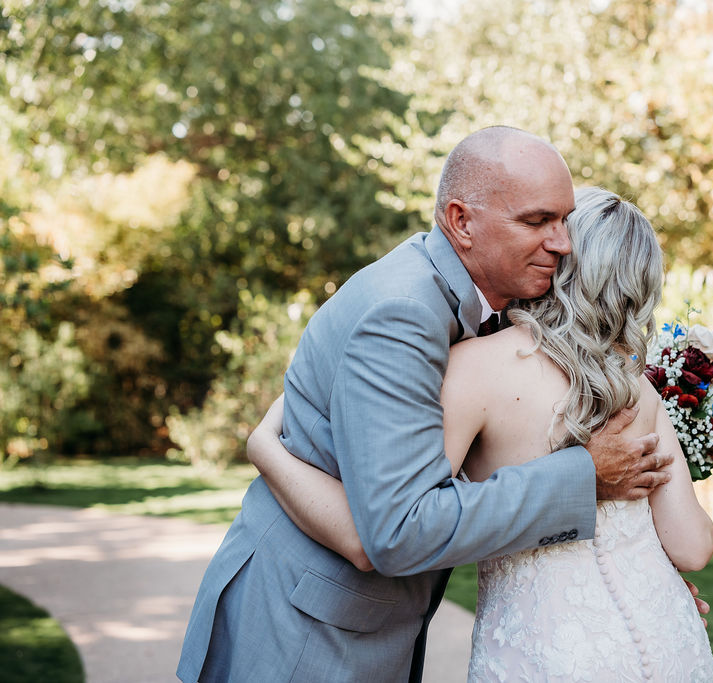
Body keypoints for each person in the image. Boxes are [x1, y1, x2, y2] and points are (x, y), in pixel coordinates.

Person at [177, 127, 683, 683]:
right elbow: (398, 530)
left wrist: (642, 585)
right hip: (305, 635)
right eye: (537, 222)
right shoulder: (405, 314)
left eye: (564, 220)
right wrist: (583, 475)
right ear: (462, 222)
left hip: (351, 618)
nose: (563, 243)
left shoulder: (472, 306)